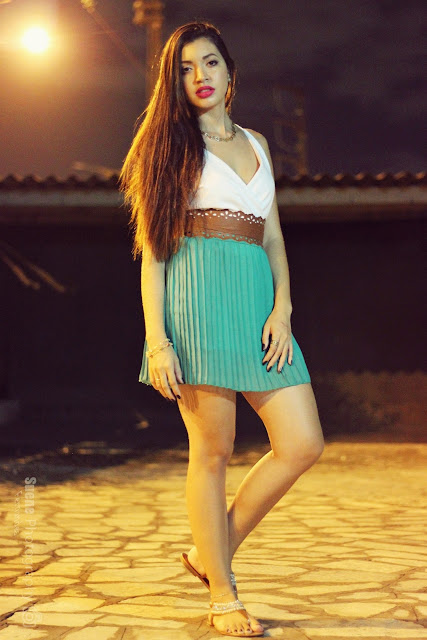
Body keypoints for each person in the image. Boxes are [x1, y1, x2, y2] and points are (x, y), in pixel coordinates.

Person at [119, 21, 324, 638]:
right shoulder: (167, 146)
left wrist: (282, 309)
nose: (200, 76)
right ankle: (223, 595)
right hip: (197, 303)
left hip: (259, 309)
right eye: (185, 68)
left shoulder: (258, 143)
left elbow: (273, 237)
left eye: (210, 62)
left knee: (302, 443)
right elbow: (153, 254)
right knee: (212, 452)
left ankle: (211, 552)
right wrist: (158, 340)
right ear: (174, 82)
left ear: (231, 73)